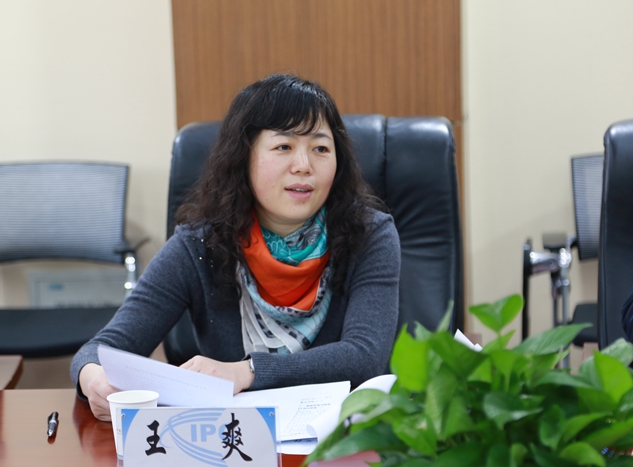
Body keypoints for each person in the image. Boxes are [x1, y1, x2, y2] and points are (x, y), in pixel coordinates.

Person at [71, 74, 401, 421]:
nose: (304, 166)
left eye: (320, 148)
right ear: (244, 157)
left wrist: (247, 371)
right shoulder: (199, 244)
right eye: (283, 147)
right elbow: (98, 351)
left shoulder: (369, 235)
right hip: (230, 438)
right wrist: (94, 380)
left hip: (342, 435)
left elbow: (365, 357)